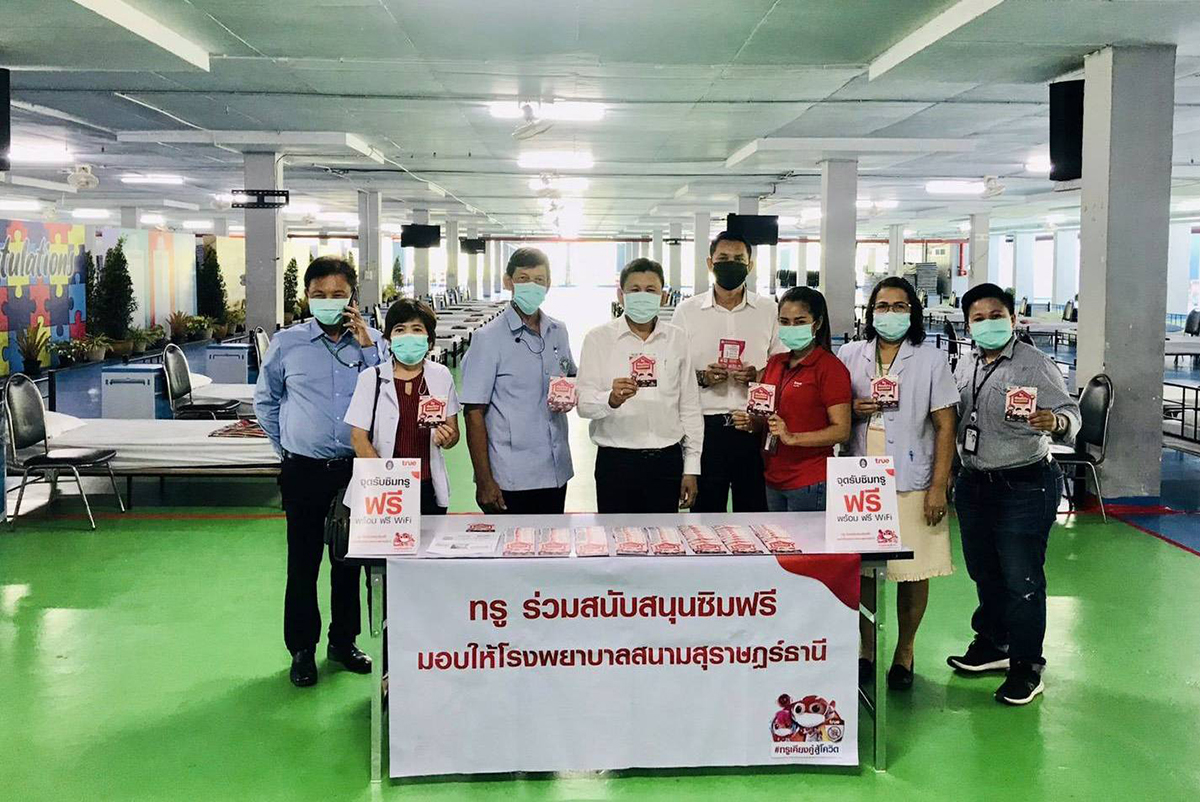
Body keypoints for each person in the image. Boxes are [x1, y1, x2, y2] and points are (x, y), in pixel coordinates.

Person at [254, 256, 385, 688]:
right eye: (319, 295)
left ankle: (343, 643)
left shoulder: (372, 343)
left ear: (352, 298)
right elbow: (266, 401)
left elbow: (390, 392)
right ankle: (302, 649)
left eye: (337, 294)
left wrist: (369, 346)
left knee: (349, 562)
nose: (328, 301)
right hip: (304, 471)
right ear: (307, 297)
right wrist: (288, 446)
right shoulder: (287, 344)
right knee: (303, 562)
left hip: (356, 471)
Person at [948, 282, 1080, 706]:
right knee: (984, 571)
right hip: (974, 483)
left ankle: (1026, 665)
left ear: (1013, 319)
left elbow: (1071, 412)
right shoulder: (966, 363)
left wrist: (1055, 422)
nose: (988, 324)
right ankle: (993, 643)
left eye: (996, 316)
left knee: (1022, 579)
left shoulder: (1034, 364)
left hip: (1024, 484)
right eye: (978, 318)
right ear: (968, 324)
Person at [837, 277, 959, 691]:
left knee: (912, 571)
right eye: (882, 306)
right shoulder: (850, 354)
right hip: (860, 480)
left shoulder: (930, 359)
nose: (890, 313)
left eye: (899, 306)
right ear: (870, 312)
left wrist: (938, 486)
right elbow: (835, 410)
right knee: (863, 572)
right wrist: (854, 408)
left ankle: (905, 651)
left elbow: (945, 425)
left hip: (912, 477)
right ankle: (866, 649)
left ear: (913, 312)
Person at [576, 258, 703, 513]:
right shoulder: (598, 339)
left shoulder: (677, 339)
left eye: (651, 290)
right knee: (616, 535)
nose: (642, 296)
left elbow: (689, 405)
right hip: (616, 463)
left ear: (663, 297)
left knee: (663, 535)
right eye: (634, 290)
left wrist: (691, 467)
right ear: (620, 296)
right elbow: (583, 404)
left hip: (666, 461)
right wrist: (610, 399)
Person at [460, 247, 576, 514]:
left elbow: (571, 376)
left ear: (548, 284)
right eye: (523, 278)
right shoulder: (488, 339)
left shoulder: (558, 331)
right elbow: (473, 413)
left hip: (555, 470)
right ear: (508, 281)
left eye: (539, 280)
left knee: (551, 539)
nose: (531, 286)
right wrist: (484, 480)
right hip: (510, 477)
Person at [673, 231, 780, 512]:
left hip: (753, 425)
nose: (730, 264)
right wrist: (702, 377)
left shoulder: (769, 310)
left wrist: (758, 376)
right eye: (723, 258)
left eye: (738, 259)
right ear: (710, 263)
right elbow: (673, 368)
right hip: (705, 428)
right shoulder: (687, 312)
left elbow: (781, 365)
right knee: (706, 514)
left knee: (755, 512)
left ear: (750, 265)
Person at [733, 287, 851, 511]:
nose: (791, 327)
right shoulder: (775, 363)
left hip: (809, 479)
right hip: (773, 477)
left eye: (800, 321)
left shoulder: (830, 368)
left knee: (805, 536)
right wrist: (752, 422)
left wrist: (793, 437)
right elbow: (765, 415)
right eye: (784, 322)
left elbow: (841, 430)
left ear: (817, 323)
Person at [345, 299, 460, 514]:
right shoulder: (371, 378)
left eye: (417, 329)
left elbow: (453, 433)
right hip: (382, 490)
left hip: (427, 487)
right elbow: (358, 438)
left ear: (429, 339)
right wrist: (385, 480)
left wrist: (447, 438)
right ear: (389, 339)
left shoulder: (441, 376)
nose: (408, 336)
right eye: (399, 329)